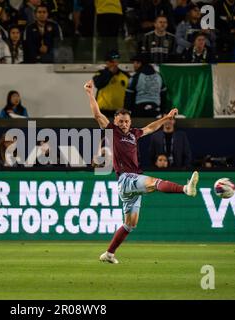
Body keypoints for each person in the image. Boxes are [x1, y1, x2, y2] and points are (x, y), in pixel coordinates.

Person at [84, 80, 199, 264]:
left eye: (126, 121)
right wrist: (90, 93)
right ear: (115, 121)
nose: (123, 124)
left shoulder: (134, 134)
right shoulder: (112, 131)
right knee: (154, 182)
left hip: (132, 184)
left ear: (130, 122)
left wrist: (166, 118)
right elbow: (97, 114)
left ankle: (109, 254)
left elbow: (151, 127)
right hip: (126, 178)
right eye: (120, 121)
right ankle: (185, 189)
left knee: (130, 224)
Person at [92, 49, 130, 118]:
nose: (115, 64)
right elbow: (98, 84)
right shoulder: (100, 73)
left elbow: (130, 93)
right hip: (103, 110)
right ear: (107, 62)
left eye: (116, 61)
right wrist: (110, 73)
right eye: (112, 62)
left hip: (120, 111)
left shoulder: (125, 75)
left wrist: (127, 107)